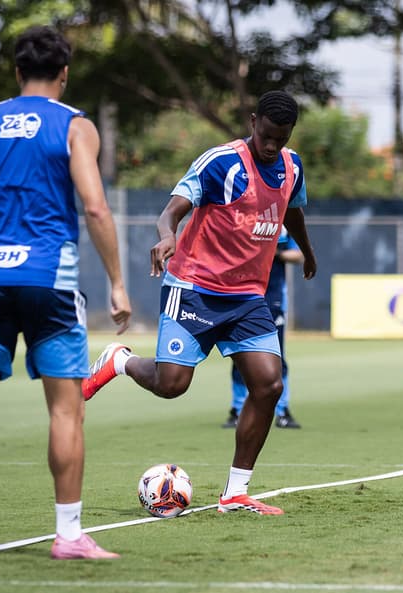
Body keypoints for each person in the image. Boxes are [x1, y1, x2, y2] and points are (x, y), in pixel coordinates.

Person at [0, 26, 131, 561]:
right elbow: (96, 207)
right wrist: (117, 284)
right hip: (49, 283)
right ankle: (68, 535)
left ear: (17, 73)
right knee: (65, 411)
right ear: (64, 73)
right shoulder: (75, 126)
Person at [84, 90, 317, 516]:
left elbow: (292, 210)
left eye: (280, 139)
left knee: (269, 384)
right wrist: (167, 234)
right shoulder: (220, 163)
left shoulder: (292, 166)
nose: (271, 146)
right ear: (252, 122)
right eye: (265, 136)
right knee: (172, 385)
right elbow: (171, 210)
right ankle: (120, 360)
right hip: (194, 287)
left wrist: (308, 250)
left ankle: (234, 493)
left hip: (248, 295)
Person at [222, 226, 304, 429]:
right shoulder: (239, 221)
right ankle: (237, 409)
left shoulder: (283, 227)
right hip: (240, 298)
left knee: (277, 357)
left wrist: (275, 252)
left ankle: (282, 410)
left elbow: (298, 255)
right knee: (239, 356)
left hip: (273, 299)